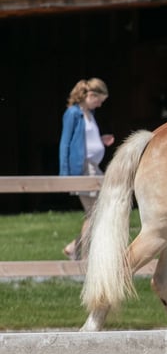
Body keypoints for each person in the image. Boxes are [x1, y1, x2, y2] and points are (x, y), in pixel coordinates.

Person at [59, 78, 114, 260]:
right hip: (83, 168)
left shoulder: (89, 114)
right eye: (98, 101)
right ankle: (84, 254)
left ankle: (75, 248)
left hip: (94, 168)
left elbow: (86, 141)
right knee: (95, 213)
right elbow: (66, 143)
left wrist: (100, 140)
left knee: (100, 211)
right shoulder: (73, 113)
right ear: (90, 95)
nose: (99, 105)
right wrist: (65, 174)